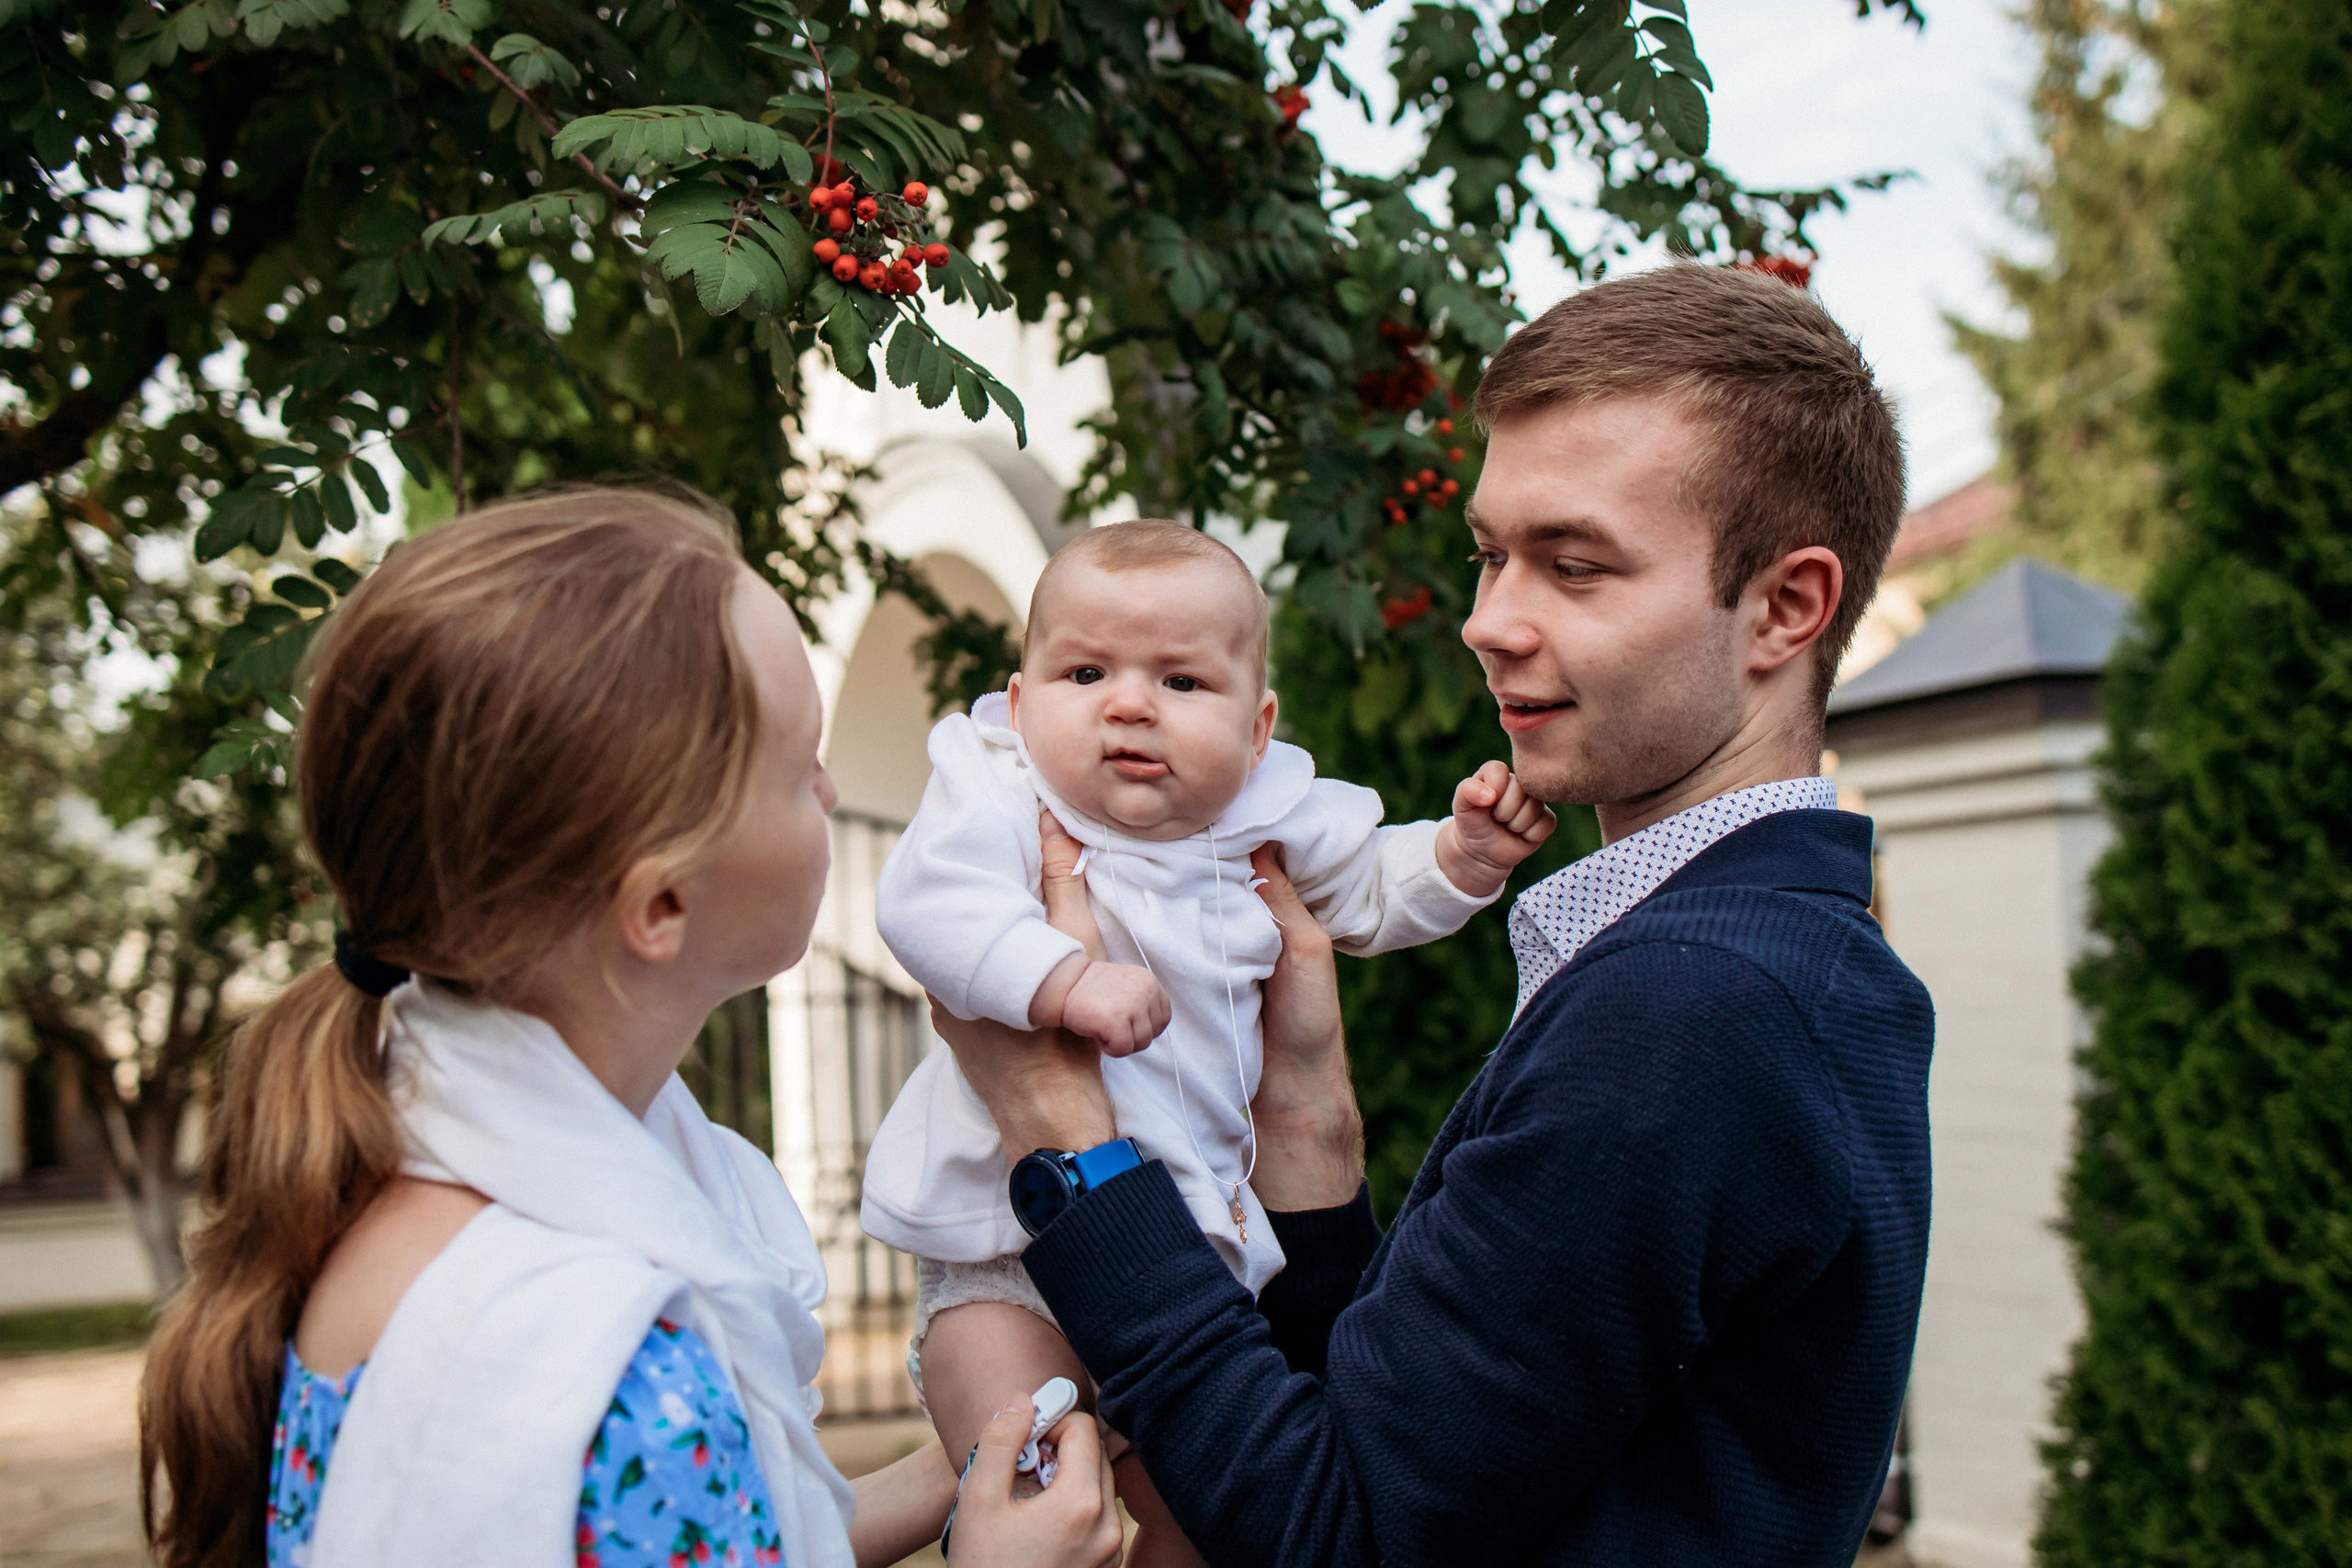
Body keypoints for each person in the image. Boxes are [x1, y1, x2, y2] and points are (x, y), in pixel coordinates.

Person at [930, 263, 1937, 1565]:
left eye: (1573, 566)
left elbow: (1337, 1538)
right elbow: (1417, 1460)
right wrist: (1308, 1131)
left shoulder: (1692, 1006)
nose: (1486, 622)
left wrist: (1076, 1147)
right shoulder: (1770, 957)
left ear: (1785, 607)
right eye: (1489, 554)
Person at [137, 490, 1125, 1568]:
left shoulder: (437, 1189)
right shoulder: (595, 1363)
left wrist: (962, 1471)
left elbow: (729, 1528)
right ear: (658, 906)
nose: (836, 793)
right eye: (801, 769)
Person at [862, 519, 1554, 1565]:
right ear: (1017, 700)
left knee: (1218, 1533)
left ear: (1257, 724)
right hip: (1008, 1251)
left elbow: (1366, 890)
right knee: (1027, 1479)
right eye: (1084, 671)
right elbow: (928, 909)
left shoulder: (1266, 812)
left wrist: (1460, 854)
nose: (1130, 703)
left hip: (1194, 1266)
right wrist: (1062, 981)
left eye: (1182, 682)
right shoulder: (1000, 790)